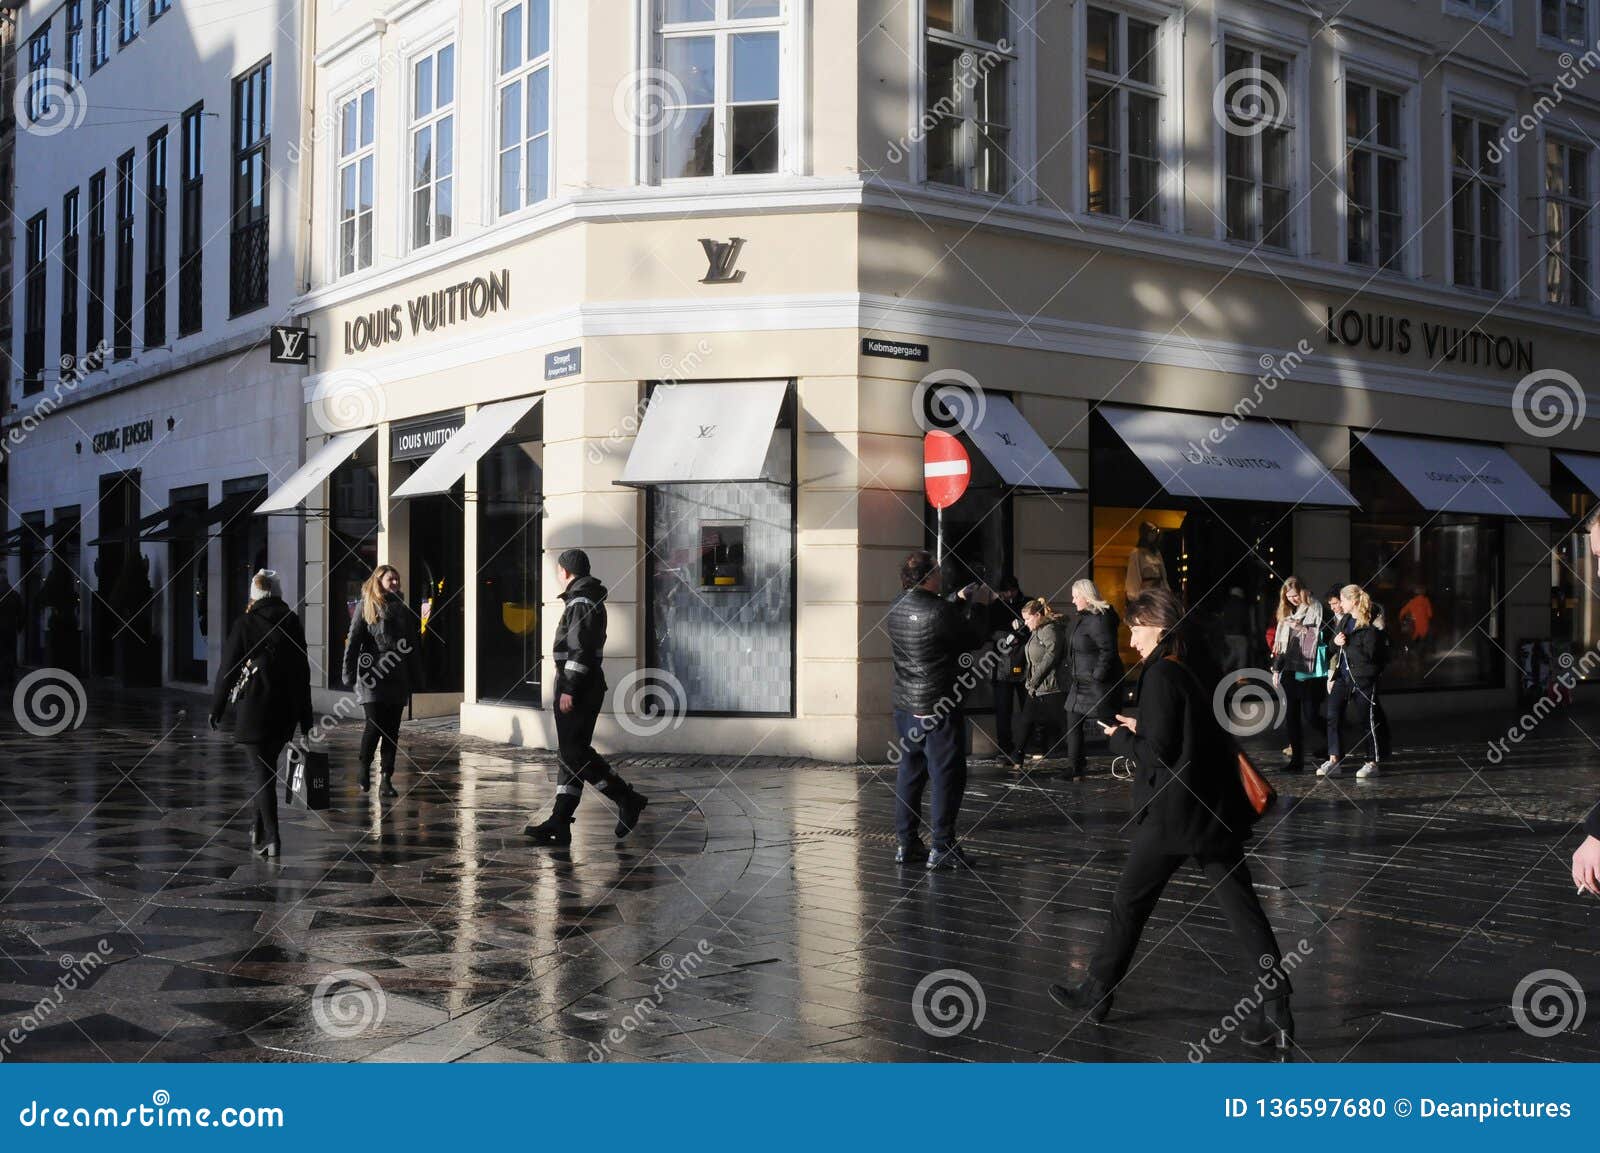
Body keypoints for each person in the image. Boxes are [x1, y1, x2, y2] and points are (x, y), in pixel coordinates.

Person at [1048, 588, 1293, 1048]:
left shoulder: (1160, 673)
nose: (1133, 640)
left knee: (1128, 905)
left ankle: (1097, 992)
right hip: (1211, 813)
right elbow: (1189, 733)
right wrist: (1145, 726)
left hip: (1171, 817)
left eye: (1138, 629)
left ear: (1159, 628)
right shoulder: (1193, 665)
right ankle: (1277, 1007)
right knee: (1244, 913)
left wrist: (1120, 737)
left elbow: (1153, 754)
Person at [524, 549, 649, 846]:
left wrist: (569, 687)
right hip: (583, 686)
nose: (558, 575)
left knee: (575, 754)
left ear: (565, 572)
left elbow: (579, 650)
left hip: (578, 688)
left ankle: (626, 798)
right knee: (570, 753)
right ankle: (560, 821)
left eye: (558, 571)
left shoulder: (580, 601)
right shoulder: (584, 597)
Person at [886, 549, 989, 869]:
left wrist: (956, 599)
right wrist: (981, 605)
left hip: (906, 703)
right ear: (929, 576)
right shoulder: (940, 611)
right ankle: (942, 845)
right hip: (938, 703)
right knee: (946, 774)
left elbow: (933, 620)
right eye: (938, 571)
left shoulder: (895, 606)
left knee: (911, 771)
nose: (941, 575)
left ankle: (906, 844)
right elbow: (972, 637)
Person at [208, 571, 314, 859]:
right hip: (286, 711)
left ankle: (272, 837)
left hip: (254, 708)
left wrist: (217, 708)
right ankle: (257, 829)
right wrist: (306, 719)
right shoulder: (292, 622)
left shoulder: (245, 623)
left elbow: (227, 670)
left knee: (262, 773)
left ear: (253, 595)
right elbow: (303, 671)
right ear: (278, 593)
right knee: (265, 770)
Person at [342, 564, 419, 798]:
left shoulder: (404, 610)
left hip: (397, 677)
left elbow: (413, 646)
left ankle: (386, 778)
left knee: (391, 730)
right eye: (390, 579)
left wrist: (417, 676)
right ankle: (364, 768)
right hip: (371, 675)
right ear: (379, 581)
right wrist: (347, 672)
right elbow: (353, 641)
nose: (395, 583)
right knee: (374, 725)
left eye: (397, 579)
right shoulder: (366, 607)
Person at [1321, 584, 1386, 778]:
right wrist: (1337, 643)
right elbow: (1332, 648)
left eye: (1343, 600)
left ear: (1354, 601)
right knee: (1332, 714)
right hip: (1342, 675)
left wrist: (1347, 645)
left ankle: (1371, 761)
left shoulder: (1370, 624)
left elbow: (1371, 655)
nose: (1340, 604)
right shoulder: (1345, 620)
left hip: (1363, 677)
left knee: (1366, 719)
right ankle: (1334, 759)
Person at [1062, 579, 1122, 780]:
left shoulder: (1099, 619)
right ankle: (1075, 767)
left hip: (1097, 683)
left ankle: (1135, 755)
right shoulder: (1084, 618)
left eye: (1075, 596)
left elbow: (1108, 651)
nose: (1072, 600)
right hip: (1080, 683)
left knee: (1109, 723)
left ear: (1086, 597)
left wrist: (1098, 676)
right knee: (1072, 720)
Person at [1271, 576, 1327, 774]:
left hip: (1308, 669)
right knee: (1291, 717)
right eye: (1289, 597)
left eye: (1295, 595)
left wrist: (1301, 628)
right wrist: (1276, 668)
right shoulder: (1286, 612)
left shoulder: (1316, 607)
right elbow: (1282, 647)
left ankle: (1333, 741)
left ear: (1303, 590)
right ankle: (1296, 761)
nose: (1293, 600)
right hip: (1290, 669)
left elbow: (1322, 636)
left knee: (1310, 714)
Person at [1012, 597, 1067, 764]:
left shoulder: (1049, 630)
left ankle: (1075, 759)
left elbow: (1051, 657)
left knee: (1063, 723)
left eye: (1028, 618)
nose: (1026, 622)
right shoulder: (1036, 631)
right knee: (1026, 720)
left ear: (1037, 615)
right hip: (1036, 686)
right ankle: (1017, 755)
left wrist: (1034, 680)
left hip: (1051, 686)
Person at [987, 575, 1029, 765]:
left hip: (1022, 662)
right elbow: (988, 631)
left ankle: (1025, 745)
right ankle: (1005, 747)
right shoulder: (996, 606)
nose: (1006, 595)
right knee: (1003, 711)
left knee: (1027, 709)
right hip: (1002, 664)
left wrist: (1017, 636)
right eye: (1004, 592)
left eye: (1008, 591)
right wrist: (1007, 637)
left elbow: (1034, 629)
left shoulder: (1028, 604)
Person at [1124, 522, 1170, 600]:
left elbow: (1163, 576)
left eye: (1155, 532)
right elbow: (1133, 577)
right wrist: (1135, 597)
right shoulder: (1136, 553)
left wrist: (1167, 593)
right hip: (1146, 594)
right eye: (1151, 532)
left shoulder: (1156, 553)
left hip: (1158, 593)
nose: (1154, 535)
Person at [1220, 586, 1250, 672]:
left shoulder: (1227, 605)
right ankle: (1240, 677)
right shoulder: (1241, 605)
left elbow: (1223, 620)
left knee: (1234, 653)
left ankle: (1224, 667)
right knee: (1242, 655)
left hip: (1228, 634)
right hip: (1239, 633)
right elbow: (1244, 620)